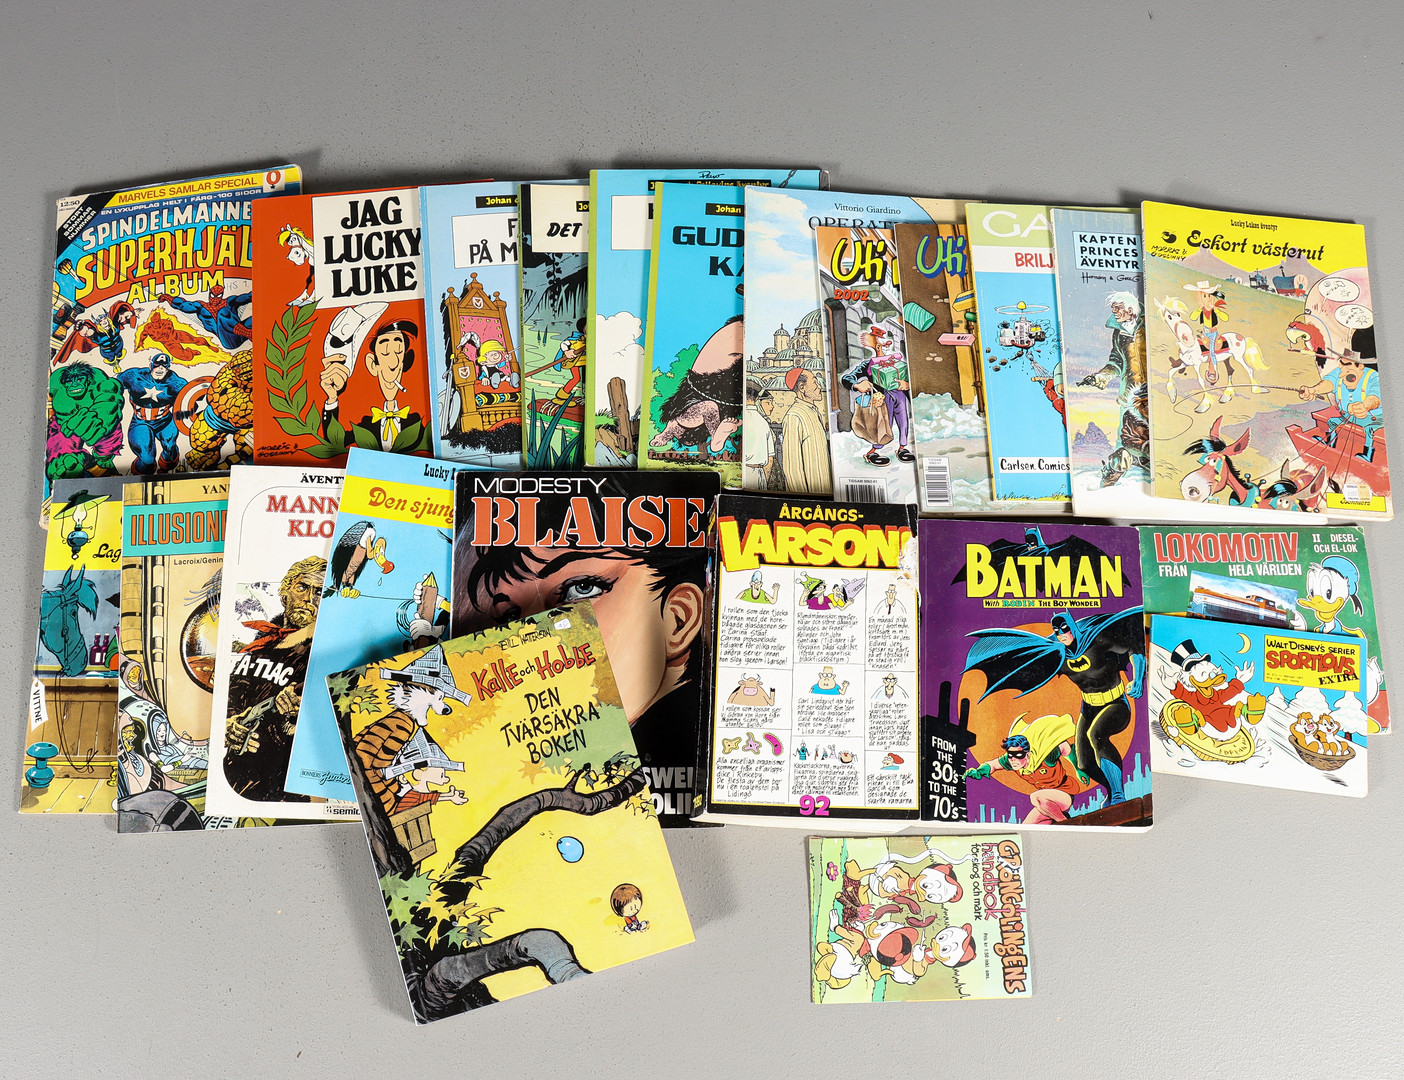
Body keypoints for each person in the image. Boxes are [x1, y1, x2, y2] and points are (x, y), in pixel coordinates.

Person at [222, 556, 327, 803]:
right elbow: (234, 691)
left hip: (279, 790)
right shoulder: (263, 640)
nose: (309, 598)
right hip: (231, 778)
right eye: (302, 587)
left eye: (319, 592)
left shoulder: (321, 653)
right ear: (285, 594)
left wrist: (294, 715)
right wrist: (228, 724)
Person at [320, 318, 430, 452]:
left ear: (406, 361)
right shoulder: (366, 425)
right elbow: (335, 443)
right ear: (372, 364)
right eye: (385, 353)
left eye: (398, 352)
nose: (393, 362)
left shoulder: (416, 422)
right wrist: (332, 398)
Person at [1297, 351, 1383, 461]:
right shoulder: (1339, 372)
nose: (1342, 373)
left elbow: (1375, 397)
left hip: (1373, 419)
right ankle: (1330, 443)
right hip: (1348, 416)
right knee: (1332, 422)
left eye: (1348, 365)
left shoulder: (1373, 377)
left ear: (1360, 366)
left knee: (1369, 429)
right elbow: (1329, 383)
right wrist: (1313, 390)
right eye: (1342, 363)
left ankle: (1367, 455)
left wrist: (1365, 406)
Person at [780, 367, 830, 493]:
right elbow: (792, 469)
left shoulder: (813, 411)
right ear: (802, 387)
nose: (819, 387)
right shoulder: (794, 416)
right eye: (815, 383)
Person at [743, 382, 777, 487]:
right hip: (760, 473)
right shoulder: (763, 422)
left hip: (744, 472)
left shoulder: (740, 419)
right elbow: (770, 458)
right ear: (757, 398)